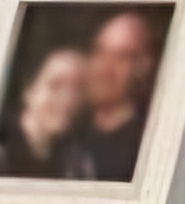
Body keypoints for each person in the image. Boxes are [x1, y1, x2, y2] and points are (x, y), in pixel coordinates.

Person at [57, 10, 163, 183]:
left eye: (122, 57)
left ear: (144, 66)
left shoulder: (149, 147)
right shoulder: (65, 133)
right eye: (99, 52)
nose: (104, 68)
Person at [0, 43, 88, 180]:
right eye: (56, 86)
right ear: (29, 90)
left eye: (78, 89)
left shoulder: (76, 164)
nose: (68, 99)